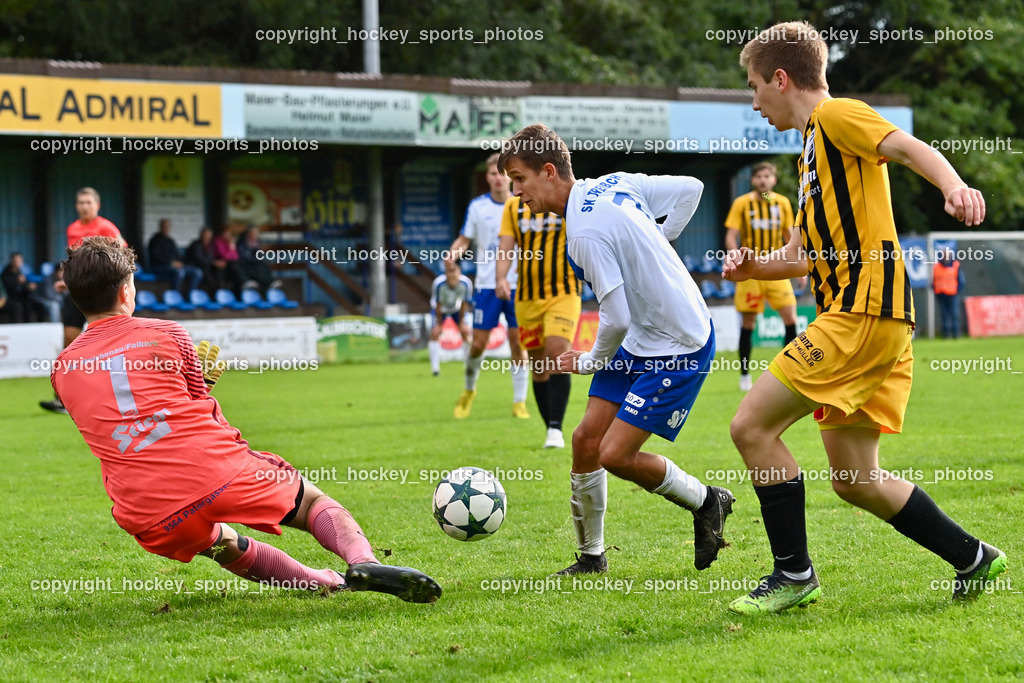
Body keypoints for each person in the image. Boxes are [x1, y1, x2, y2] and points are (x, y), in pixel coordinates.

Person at [722, 21, 1005, 614]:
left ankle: (793, 573)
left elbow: (907, 147)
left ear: (781, 78)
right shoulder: (809, 153)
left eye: (754, 86)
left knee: (751, 427)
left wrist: (954, 185)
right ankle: (973, 557)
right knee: (854, 478)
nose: (753, 102)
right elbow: (801, 254)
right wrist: (753, 268)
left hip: (862, 313)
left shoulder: (836, 115)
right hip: (873, 320)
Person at [50, 236, 442, 603]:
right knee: (310, 503)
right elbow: (196, 401)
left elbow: (109, 422)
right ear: (126, 292)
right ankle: (362, 562)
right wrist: (203, 383)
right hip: (213, 469)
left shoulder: (62, 370)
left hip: (146, 510)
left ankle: (326, 582)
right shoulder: (167, 333)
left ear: (76, 298)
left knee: (223, 545)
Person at [497, 124, 735, 575]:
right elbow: (691, 189)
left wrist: (589, 361)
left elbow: (616, 315)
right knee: (585, 440)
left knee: (615, 455)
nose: (516, 192)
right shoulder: (614, 182)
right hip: (642, 337)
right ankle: (592, 557)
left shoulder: (583, 233)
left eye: (520, 179)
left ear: (548, 171)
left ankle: (708, 501)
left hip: (680, 342)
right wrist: (663, 241)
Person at [446, 153, 530, 419]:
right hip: (486, 285)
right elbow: (464, 239)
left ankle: (519, 402)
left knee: (518, 343)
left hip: (519, 284)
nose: (498, 178)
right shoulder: (478, 207)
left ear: (511, 176)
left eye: (502, 173)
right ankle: (469, 389)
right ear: (487, 177)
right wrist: (452, 255)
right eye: (493, 173)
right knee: (478, 344)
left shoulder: (524, 204)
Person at [495, 195, 581, 448]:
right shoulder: (513, 206)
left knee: (557, 353)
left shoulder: (566, 197)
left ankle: (556, 428)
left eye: (520, 178)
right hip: (526, 297)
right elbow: (506, 246)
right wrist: (501, 277)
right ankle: (550, 427)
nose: (517, 186)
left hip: (563, 292)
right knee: (539, 364)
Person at [41, 187, 125, 415]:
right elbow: (75, 259)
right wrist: (67, 279)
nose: (85, 206)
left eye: (89, 202)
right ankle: (64, 398)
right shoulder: (73, 229)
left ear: (97, 205)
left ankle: (117, 395)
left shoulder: (107, 227)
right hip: (77, 291)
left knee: (110, 344)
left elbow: (123, 254)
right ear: (76, 206)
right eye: (81, 202)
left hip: (101, 293)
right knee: (69, 341)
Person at [724, 162, 804, 391]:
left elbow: (790, 236)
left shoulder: (782, 203)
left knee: (790, 318)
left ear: (774, 180)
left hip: (777, 269)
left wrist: (797, 266)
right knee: (748, 323)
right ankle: (744, 376)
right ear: (752, 180)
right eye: (758, 176)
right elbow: (731, 236)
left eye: (767, 176)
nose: (762, 180)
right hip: (750, 272)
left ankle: (788, 372)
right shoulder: (742, 203)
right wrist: (734, 255)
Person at [428, 260, 473, 377]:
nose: (452, 277)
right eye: (449, 273)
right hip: (441, 309)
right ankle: (435, 369)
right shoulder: (438, 284)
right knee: (434, 334)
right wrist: (439, 324)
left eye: (455, 273)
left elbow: (464, 304)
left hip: (456, 309)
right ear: (446, 274)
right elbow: (438, 305)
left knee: (465, 333)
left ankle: (469, 366)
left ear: (459, 273)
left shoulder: (466, 284)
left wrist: (462, 323)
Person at [148, 218, 203, 295]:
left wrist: (180, 262)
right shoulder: (154, 240)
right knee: (180, 272)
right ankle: (174, 296)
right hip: (160, 266)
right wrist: (171, 263)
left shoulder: (170, 241)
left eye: (168, 226)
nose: (166, 228)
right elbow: (156, 257)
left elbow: (178, 255)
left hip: (175, 266)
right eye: (164, 226)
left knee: (197, 272)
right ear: (160, 227)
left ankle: (191, 295)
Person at [236, 225, 281, 295]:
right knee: (259, 267)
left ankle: (270, 282)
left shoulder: (257, 243)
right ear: (248, 234)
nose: (256, 236)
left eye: (256, 234)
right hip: (246, 265)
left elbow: (259, 256)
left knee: (264, 264)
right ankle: (251, 281)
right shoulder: (242, 243)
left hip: (254, 263)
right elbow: (244, 257)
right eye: (254, 234)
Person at [933, 247, 965, 338]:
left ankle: (956, 334)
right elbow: (933, 281)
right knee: (944, 315)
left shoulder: (955, 265)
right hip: (941, 294)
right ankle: (946, 334)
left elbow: (961, 280)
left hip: (952, 294)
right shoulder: (937, 266)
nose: (945, 257)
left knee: (955, 314)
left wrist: (957, 290)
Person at [1, 253, 41, 323]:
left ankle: (33, 326)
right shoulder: (5, 273)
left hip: (21, 297)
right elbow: (7, 289)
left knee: (35, 303)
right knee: (17, 306)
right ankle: (17, 327)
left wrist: (29, 287)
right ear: (12, 261)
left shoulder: (21, 272)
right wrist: (17, 282)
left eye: (20, 261)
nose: (18, 263)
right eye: (16, 260)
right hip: (9, 298)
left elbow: (24, 287)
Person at [211, 226, 247, 296]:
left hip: (230, 263)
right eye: (226, 233)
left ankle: (243, 285)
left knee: (237, 265)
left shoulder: (229, 242)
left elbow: (236, 257)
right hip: (220, 262)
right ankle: (244, 281)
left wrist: (232, 246)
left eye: (229, 234)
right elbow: (224, 256)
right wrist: (230, 247)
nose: (228, 235)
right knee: (234, 267)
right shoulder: (218, 241)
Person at [185, 227, 221, 295]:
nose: (207, 238)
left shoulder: (210, 245)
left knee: (217, 269)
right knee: (205, 269)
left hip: (206, 264)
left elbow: (211, 258)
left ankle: (219, 291)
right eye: (205, 236)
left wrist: (216, 263)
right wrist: (213, 262)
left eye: (209, 237)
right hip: (194, 265)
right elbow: (199, 260)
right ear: (201, 235)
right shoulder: (196, 245)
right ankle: (211, 291)